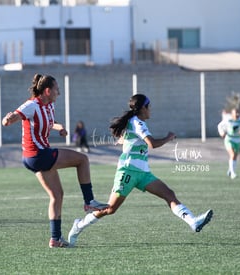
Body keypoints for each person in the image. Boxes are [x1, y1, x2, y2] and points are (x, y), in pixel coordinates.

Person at [67, 94, 213, 247]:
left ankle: (193, 222)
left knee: (169, 194)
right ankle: (79, 226)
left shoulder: (136, 122)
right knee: (110, 209)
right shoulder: (137, 123)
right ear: (143, 108)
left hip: (143, 173)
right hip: (128, 172)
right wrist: (168, 137)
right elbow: (152, 144)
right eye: (149, 106)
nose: (151, 110)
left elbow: (128, 138)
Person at [1, 73, 108, 248]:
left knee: (57, 195)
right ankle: (89, 202)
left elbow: (50, 123)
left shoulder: (49, 105)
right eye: (57, 90)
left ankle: (55, 239)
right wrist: (7, 119)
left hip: (33, 158)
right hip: (39, 155)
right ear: (48, 90)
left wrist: (61, 128)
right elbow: (15, 117)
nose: (59, 93)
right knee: (82, 159)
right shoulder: (32, 105)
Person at [217, 108, 240, 179]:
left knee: (234, 156)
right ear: (232, 114)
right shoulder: (228, 120)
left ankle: (230, 170)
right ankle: (233, 173)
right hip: (229, 139)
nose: (237, 114)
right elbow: (220, 126)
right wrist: (222, 133)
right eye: (236, 113)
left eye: (238, 113)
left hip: (237, 139)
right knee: (232, 154)